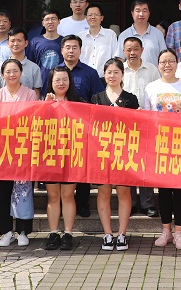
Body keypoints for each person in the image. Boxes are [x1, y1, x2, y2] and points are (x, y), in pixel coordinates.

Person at [144, 49, 181, 249]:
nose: (167, 65)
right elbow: (146, 117)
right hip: (160, 146)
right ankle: (166, 230)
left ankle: (179, 232)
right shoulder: (151, 87)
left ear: (177, 64)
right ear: (158, 65)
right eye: (163, 62)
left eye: (171, 61)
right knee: (164, 191)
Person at [42, 35, 103, 218]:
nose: (71, 51)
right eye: (67, 47)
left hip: (80, 131)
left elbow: (97, 99)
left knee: (80, 170)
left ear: (80, 50)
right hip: (55, 135)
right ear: (61, 50)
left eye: (74, 47)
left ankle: (82, 204)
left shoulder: (90, 73)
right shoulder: (52, 71)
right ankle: (59, 207)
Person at [91, 57, 139, 252]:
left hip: (124, 151)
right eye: (109, 72)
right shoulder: (96, 98)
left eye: (116, 72)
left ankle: (122, 233)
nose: (112, 76)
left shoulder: (130, 99)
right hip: (102, 151)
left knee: (123, 192)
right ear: (104, 74)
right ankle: (107, 234)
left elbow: (137, 126)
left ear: (122, 75)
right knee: (103, 192)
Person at [0, 58, 38, 247]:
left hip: (22, 148)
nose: (12, 75)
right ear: (2, 75)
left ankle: (22, 230)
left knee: (23, 190)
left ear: (21, 73)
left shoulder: (30, 94)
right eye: (8, 71)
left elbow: (34, 118)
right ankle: (5, 231)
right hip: (2, 149)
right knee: (2, 190)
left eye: (15, 71)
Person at [41, 67, 81, 251]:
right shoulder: (44, 102)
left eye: (65, 79)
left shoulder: (78, 103)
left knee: (67, 195)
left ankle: (68, 233)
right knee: (53, 195)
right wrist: (45, 106)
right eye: (57, 80)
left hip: (71, 155)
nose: (61, 83)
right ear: (51, 82)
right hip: (50, 155)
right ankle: (53, 232)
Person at [121, 36, 160, 217]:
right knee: (128, 162)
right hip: (125, 124)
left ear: (142, 50)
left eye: (136, 49)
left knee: (145, 163)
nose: (132, 53)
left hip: (147, 123)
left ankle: (147, 203)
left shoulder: (152, 69)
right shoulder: (120, 69)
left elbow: (158, 92)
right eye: (129, 49)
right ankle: (130, 202)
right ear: (123, 51)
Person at [0, 28, 42, 96]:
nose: (15, 44)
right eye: (12, 41)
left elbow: (37, 92)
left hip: (27, 103)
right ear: (8, 43)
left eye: (19, 40)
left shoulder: (34, 68)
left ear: (26, 43)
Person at [117, 0, 168, 66]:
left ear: (149, 13)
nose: (141, 14)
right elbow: (120, 59)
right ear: (132, 13)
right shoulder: (124, 35)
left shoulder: (158, 34)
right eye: (138, 11)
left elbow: (164, 57)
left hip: (154, 73)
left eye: (144, 11)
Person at [79, 4, 119, 76]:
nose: (93, 17)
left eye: (96, 14)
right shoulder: (80, 36)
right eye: (90, 15)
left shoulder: (110, 35)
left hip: (105, 77)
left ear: (101, 18)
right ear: (86, 18)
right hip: (84, 76)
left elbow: (114, 57)